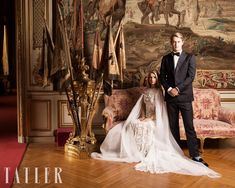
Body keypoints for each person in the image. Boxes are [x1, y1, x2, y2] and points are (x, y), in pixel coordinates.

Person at [91, 71, 220, 178]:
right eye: (150, 77)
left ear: (157, 79)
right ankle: (136, 151)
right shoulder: (145, 91)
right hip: (146, 117)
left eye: (154, 77)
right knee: (133, 124)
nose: (152, 79)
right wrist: (142, 117)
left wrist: (149, 119)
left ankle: (147, 152)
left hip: (154, 119)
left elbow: (159, 111)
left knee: (146, 126)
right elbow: (142, 107)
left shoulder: (158, 92)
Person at [159, 32, 208, 166]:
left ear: (182, 42)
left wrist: (178, 89)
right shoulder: (166, 58)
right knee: (173, 127)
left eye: (178, 41)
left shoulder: (189, 57)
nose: (176, 44)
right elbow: (162, 77)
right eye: (174, 42)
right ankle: (175, 153)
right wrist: (169, 89)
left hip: (185, 97)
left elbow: (190, 77)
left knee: (189, 127)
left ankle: (195, 155)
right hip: (171, 98)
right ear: (171, 43)